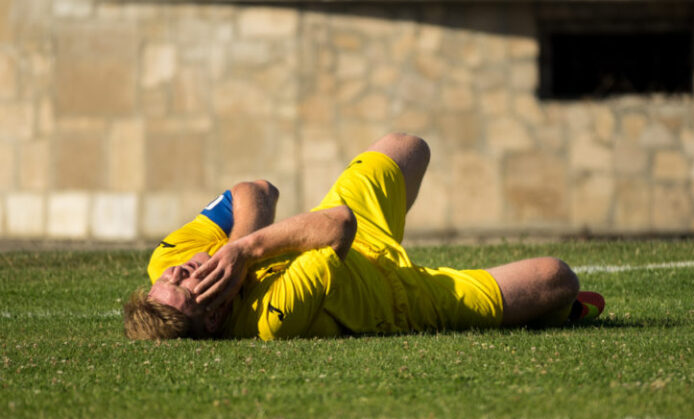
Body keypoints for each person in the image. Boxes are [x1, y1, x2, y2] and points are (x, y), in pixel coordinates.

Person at [124, 133, 604, 340]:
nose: (181, 269)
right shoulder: (271, 320)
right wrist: (246, 251)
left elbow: (256, 190)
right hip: (397, 296)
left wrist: (236, 248)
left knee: (407, 146)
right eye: (187, 285)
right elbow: (338, 226)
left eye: (170, 277)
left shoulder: (168, 259)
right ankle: (563, 313)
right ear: (214, 318)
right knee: (556, 278)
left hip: (348, 236)